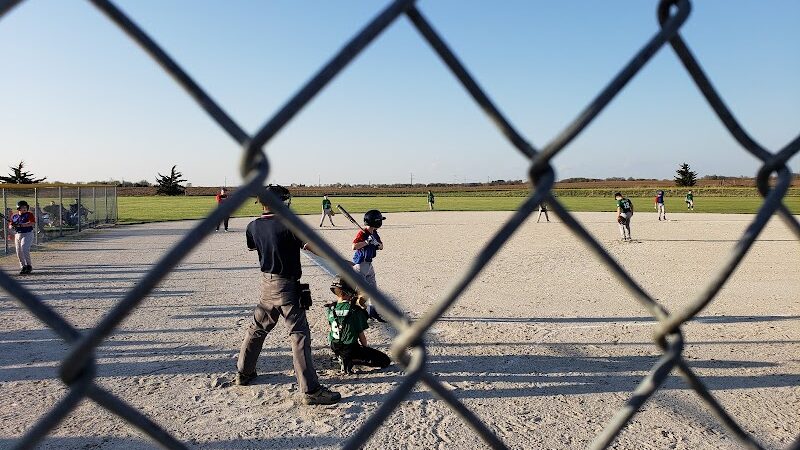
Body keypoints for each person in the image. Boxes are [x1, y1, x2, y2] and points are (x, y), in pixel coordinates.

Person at [235, 185, 341, 405]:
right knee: (299, 334)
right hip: (287, 286)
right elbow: (311, 246)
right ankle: (310, 390)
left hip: (267, 284)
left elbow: (255, 247)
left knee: (257, 328)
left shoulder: (252, 226)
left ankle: (244, 373)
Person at [325, 277, 391, 374]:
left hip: (334, 345)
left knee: (344, 344)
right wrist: (365, 348)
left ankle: (341, 356)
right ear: (348, 292)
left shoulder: (330, 308)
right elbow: (361, 336)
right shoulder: (355, 310)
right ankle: (349, 359)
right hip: (350, 348)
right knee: (385, 361)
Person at [352, 210, 386, 321]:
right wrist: (366, 242)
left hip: (369, 265)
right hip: (360, 265)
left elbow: (381, 247)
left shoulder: (374, 233)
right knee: (361, 293)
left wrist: (376, 243)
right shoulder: (362, 233)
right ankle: (352, 314)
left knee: (373, 291)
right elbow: (354, 246)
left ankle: (373, 312)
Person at [9, 200, 36, 274]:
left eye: (25, 207)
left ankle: (29, 266)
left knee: (24, 248)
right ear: (18, 208)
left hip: (27, 234)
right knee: (18, 251)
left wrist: (21, 225)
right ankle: (23, 266)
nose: (24, 208)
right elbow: (10, 225)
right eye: (22, 207)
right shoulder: (14, 216)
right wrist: (12, 226)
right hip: (17, 234)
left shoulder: (29, 214)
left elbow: (32, 223)